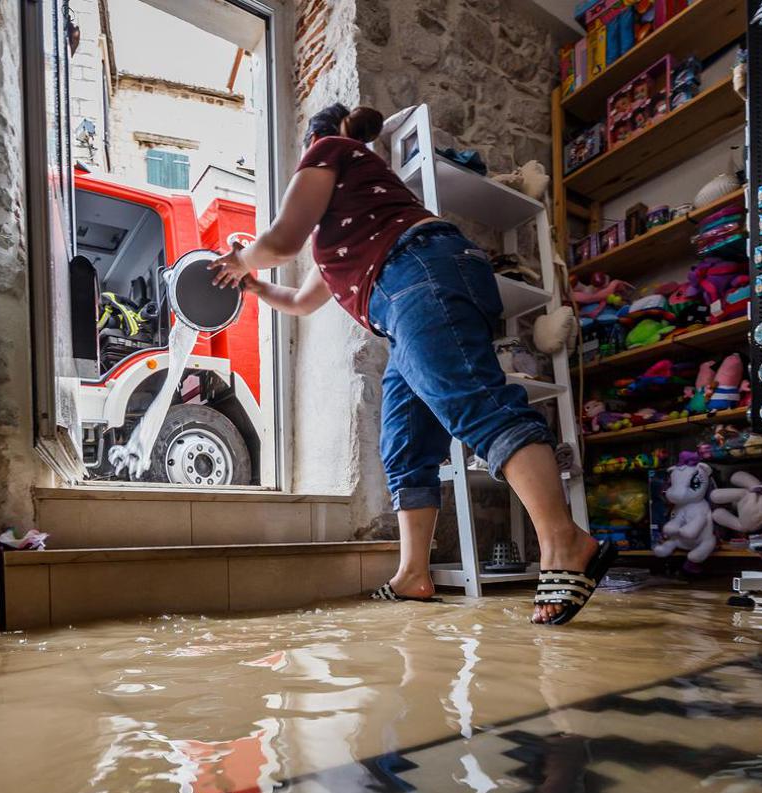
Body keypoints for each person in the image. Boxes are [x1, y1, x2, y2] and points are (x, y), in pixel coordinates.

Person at [210, 103, 616, 624]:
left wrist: (241, 259)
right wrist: (254, 284)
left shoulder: (333, 150)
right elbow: (301, 301)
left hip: (417, 272)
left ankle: (565, 543)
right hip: (407, 297)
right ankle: (412, 575)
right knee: (404, 443)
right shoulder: (341, 235)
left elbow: (282, 240)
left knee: (479, 406)